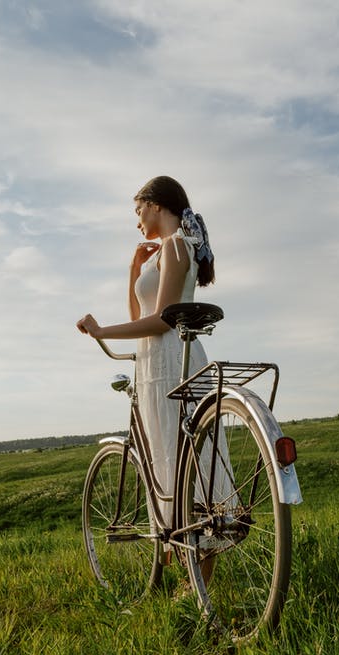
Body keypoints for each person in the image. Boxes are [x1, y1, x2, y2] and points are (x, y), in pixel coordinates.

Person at [77, 176, 215, 526]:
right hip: (158, 360)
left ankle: (196, 564)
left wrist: (101, 331)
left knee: (179, 458)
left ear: (155, 205)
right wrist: (134, 269)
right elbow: (139, 317)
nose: (137, 221)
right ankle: (187, 562)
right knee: (174, 457)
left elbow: (162, 320)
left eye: (138, 210)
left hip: (170, 359)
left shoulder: (175, 245)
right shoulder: (173, 247)